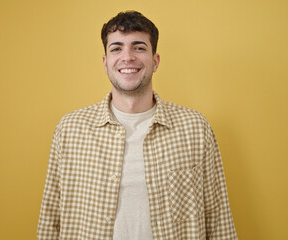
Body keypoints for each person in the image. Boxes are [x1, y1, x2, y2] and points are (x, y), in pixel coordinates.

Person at [37, 11, 237, 240]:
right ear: (105, 62)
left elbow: (218, 219)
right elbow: (50, 218)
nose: (127, 57)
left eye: (139, 47)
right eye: (116, 48)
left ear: (155, 61)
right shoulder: (70, 130)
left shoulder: (195, 129)